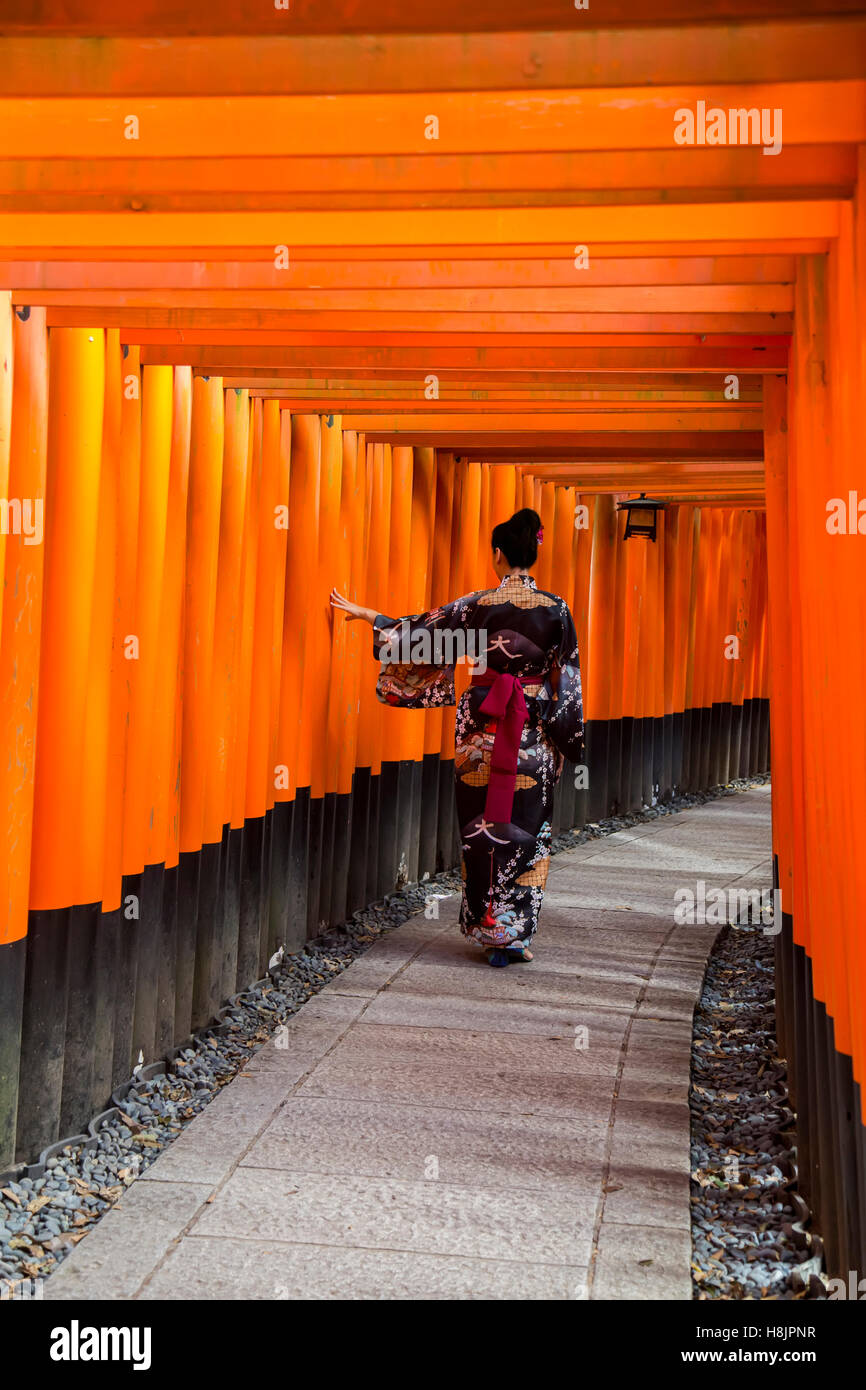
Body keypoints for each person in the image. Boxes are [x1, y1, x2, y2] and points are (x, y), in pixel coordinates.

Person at [330, 507, 584, 967]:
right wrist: (562, 735)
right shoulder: (557, 609)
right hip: (533, 730)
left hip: (479, 731)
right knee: (531, 827)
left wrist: (372, 617)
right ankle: (514, 932)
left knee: (479, 825)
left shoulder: (477, 605)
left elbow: (422, 635)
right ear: (533, 555)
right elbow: (565, 681)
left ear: (497, 555)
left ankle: (488, 926)